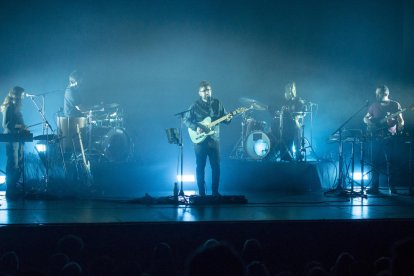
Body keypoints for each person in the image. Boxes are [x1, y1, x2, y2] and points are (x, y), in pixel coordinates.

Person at [184, 81, 232, 196]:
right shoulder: (195, 105)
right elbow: (186, 120)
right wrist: (196, 127)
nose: (207, 92)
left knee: (216, 167)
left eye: (209, 90)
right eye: (204, 91)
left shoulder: (217, 103)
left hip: (214, 139)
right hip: (200, 141)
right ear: (199, 93)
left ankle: (215, 192)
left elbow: (225, 119)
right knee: (200, 166)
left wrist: (229, 118)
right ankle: (201, 193)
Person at [363, 85, 404, 194]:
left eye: (379, 93)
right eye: (376, 93)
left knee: (390, 162)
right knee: (374, 162)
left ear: (385, 93)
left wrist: (400, 126)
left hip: (390, 137)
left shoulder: (395, 105)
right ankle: (374, 187)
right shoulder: (373, 105)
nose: (376, 95)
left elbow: (401, 120)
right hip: (376, 137)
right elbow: (365, 118)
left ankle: (392, 186)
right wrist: (370, 122)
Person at [1, 86, 27, 199]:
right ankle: (10, 188)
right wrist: (20, 126)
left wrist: (23, 128)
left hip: (18, 139)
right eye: (21, 95)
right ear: (16, 95)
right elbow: (7, 125)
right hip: (11, 139)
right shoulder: (9, 108)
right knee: (13, 163)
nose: (23, 97)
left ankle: (15, 187)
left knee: (18, 162)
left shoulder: (17, 109)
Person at [277, 81, 306, 161]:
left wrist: (297, 116)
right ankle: (287, 156)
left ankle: (298, 155)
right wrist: (282, 111)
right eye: (287, 89)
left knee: (296, 137)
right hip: (287, 125)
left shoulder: (298, 100)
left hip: (295, 124)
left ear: (293, 90)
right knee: (287, 139)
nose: (288, 91)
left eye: (290, 88)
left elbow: (303, 110)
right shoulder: (285, 101)